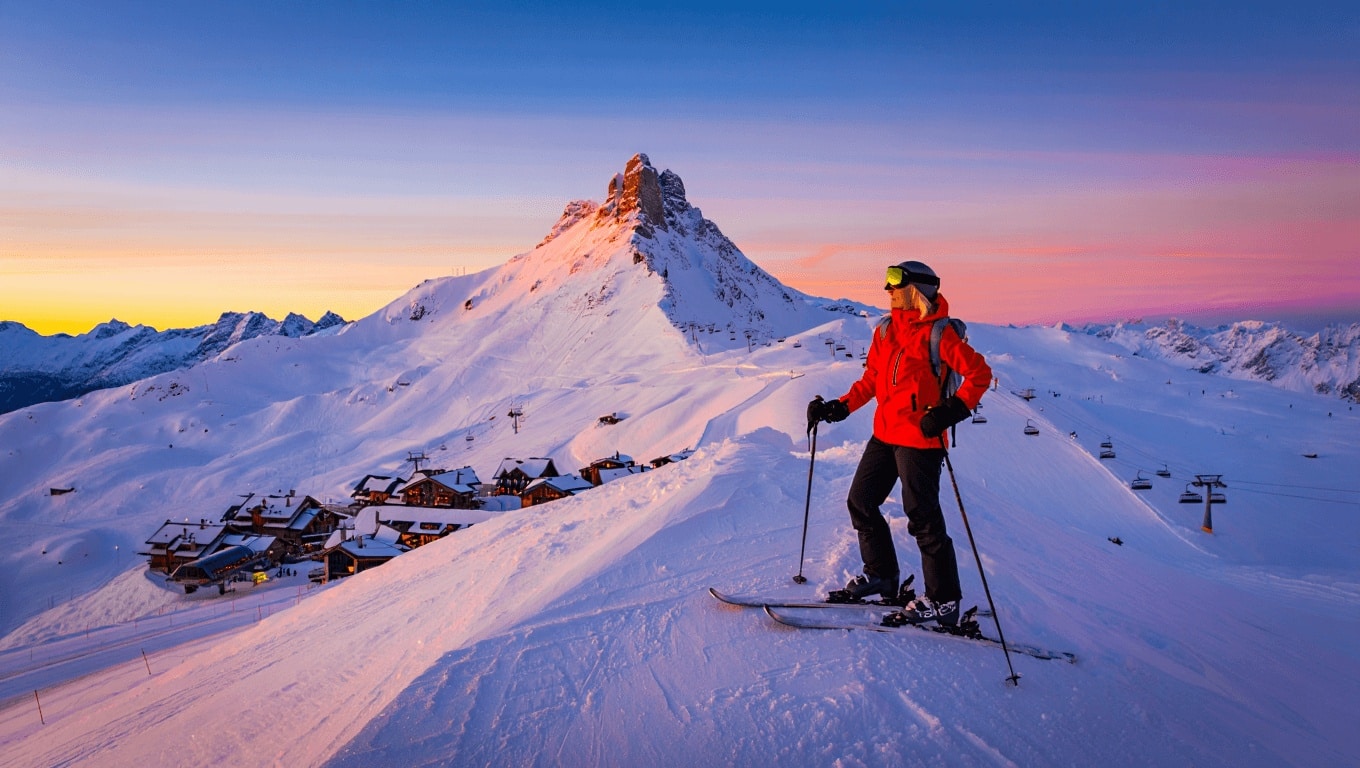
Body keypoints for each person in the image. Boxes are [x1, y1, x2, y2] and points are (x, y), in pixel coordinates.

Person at [807, 261, 992, 626]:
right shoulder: (886, 330)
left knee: (923, 518)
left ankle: (943, 601)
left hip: (921, 440)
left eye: (895, 283)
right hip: (885, 434)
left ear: (916, 289)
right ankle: (882, 575)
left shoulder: (939, 334)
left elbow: (979, 374)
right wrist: (839, 407)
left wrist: (950, 411)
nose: (887, 289)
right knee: (861, 501)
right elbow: (872, 379)